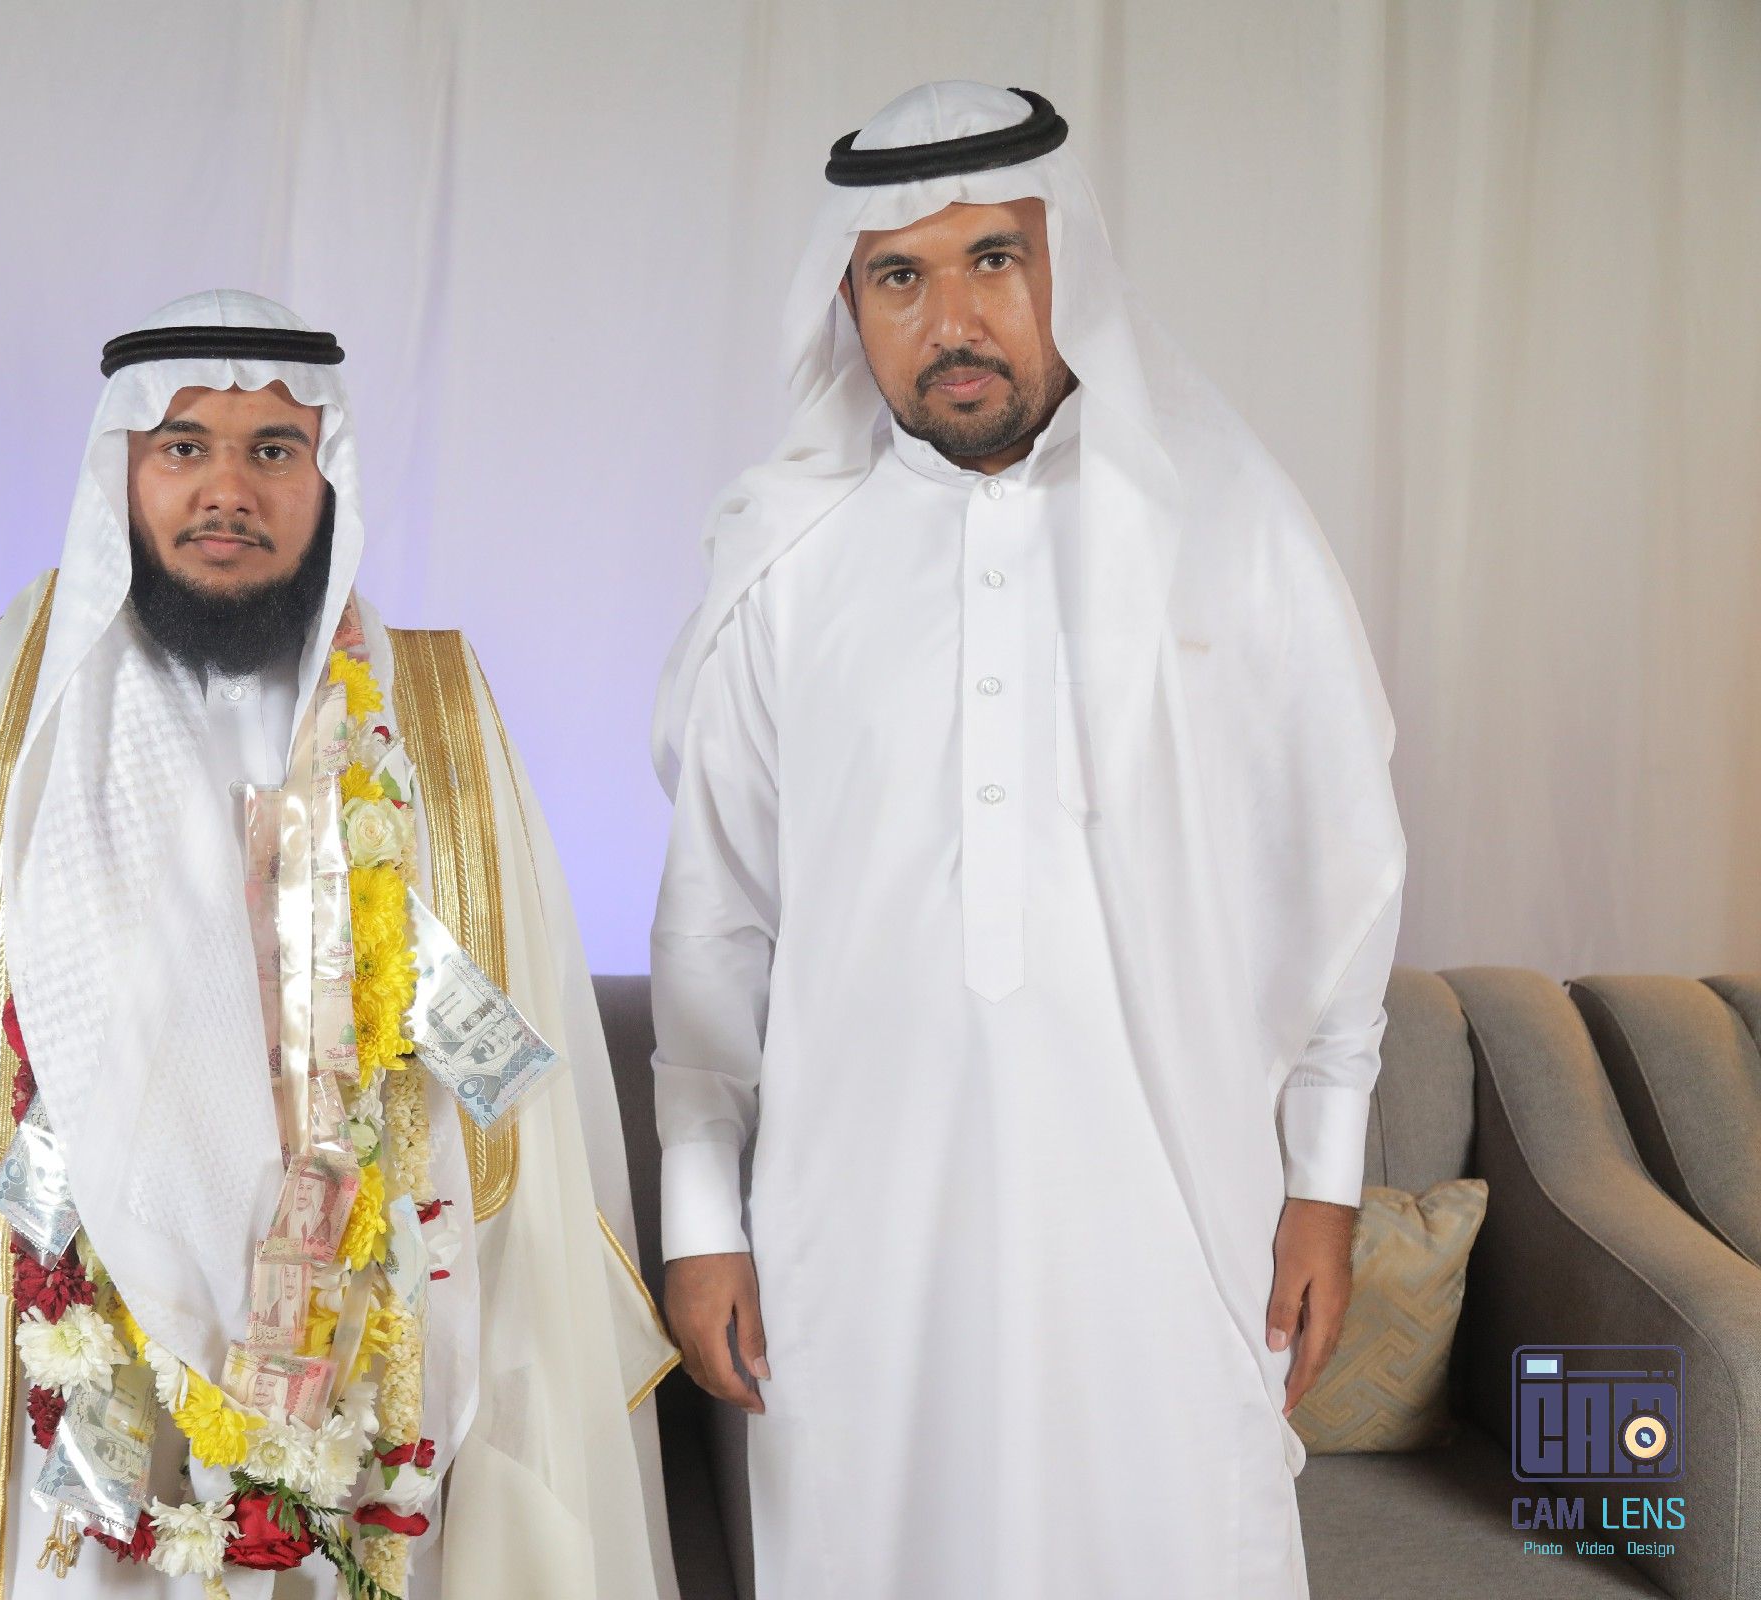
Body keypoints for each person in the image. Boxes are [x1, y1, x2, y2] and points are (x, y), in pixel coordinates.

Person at [0, 290, 678, 1600]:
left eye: (273, 451)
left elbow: (520, 1074)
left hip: (368, 1371)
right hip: (52, 1380)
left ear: (327, 480)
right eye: (184, 448)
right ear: (120, 471)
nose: (228, 489)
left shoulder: (434, 723)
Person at [650, 81, 1405, 1598]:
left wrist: (1324, 1183)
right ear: (849, 305)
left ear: (1072, 271)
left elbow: (1343, 866)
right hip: (860, 1239)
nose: (953, 320)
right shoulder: (783, 565)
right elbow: (716, 920)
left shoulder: (1228, 531)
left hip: (1166, 1216)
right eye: (899, 276)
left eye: (995, 259)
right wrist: (699, 1219)